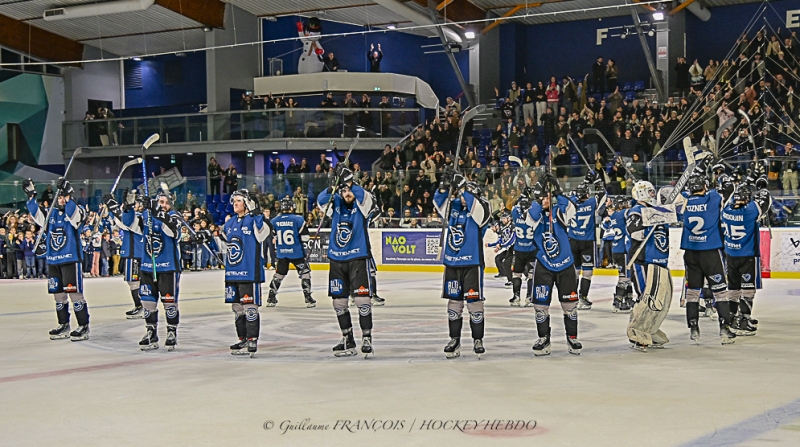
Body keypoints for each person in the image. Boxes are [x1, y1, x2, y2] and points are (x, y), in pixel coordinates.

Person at [316, 166, 376, 358]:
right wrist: (332, 186)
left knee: (362, 300)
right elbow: (320, 201)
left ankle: (367, 338)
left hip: (357, 258)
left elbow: (367, 200)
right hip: (337, 260)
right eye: (344, 190)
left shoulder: (361, 206)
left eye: (349, 190)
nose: (347, 193)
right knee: (339, 302)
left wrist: (350, 182)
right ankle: (347, 338)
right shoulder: (336, 207)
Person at [676, 156, 736, 344]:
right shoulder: (712, 198)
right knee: (720, 291)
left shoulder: (684, 201)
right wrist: (718, 172)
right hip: (711, 252)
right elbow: (729, 188)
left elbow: (680, 190)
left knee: (692, 292)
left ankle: (693, 327)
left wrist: (699, 168)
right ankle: (725, 329)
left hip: (690, 253)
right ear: (704, 186)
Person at [24, 178, 90, 341]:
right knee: (58, 296)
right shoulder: (51, 214)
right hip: (53, 261)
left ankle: (83, 326)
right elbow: (37, 215)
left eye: (63, 197)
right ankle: (63, 324)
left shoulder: (77, 211)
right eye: (59, 197)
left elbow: (75, 216)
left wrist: (67, 194)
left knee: (75, 295)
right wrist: (31, 195)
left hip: (70, 260)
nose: (60, 200)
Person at [434, 173, 491, 359]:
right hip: (452, 263)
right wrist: (443, 186)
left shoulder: (482, 207)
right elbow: (439, 202)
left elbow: (479, 213)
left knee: (474, 303)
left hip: (472, 263)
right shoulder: (454, 208)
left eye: (468, 194)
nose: (463, 198)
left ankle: (478, 339)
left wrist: (464, 187)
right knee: (454, 304)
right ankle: (454, 339)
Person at [525, 174, 581, 356]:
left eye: (548, 196)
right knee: (540, 305)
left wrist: (558, 191)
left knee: (570, 305)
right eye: (543, 197)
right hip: (544, 265)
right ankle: (544, 338)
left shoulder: (559, 210)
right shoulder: (535, 212)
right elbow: (531, 219)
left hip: (565, 265)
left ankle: (572, 337)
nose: (546, 200)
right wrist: (538, 197)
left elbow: (572, 210)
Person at [122, 190, 183, 351]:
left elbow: (173, 233)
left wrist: (156, 211)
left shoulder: (175, 218)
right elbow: (130, 225)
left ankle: (171, 332)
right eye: (160, 202)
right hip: (148, 267)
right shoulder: (146, 217)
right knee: (148, 302)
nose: (162, 205)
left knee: (170, 303)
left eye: (165, 202)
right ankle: (151, 332)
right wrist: (128, 207)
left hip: (168, 268)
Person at [214, 190, 271, 357]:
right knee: (237, 308)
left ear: (247, 203)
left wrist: (257, 213)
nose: (235, 203)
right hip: (232, 274)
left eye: (239, 201)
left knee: (250, 308)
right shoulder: (230, 222)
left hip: (249, 273)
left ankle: (252, 339)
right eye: (234, 201)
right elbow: (224, 246)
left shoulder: (254, 219)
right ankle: (243, 338)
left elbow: (263, 234)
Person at [625, 181, 673, 352]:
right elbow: (635, 234)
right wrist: (651, 219)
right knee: (645, 297)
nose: (654, 196)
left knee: (658, 300)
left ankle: (648, 328)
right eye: (651, 193)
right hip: (642, 262)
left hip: (659, 261)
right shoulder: (636, 211)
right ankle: (637, 332)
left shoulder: (657, 211)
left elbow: (677, 215)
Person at [722, 173, 771, 337]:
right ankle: (744, 319)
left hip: (730, 255)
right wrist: (761, 185)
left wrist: (740, 185)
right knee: (748, 289)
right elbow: (766, 201)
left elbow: (729, 196)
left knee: (733, 289)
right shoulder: (750, 211)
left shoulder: (726, 210)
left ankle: (731, 318)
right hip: (747, 255)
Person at [266, 197, 316, 308]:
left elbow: (272, 235)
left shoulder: (274, 221)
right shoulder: (298, 219)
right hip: (297, 253)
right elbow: (305, 238)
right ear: (291, 207)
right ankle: (308, 298)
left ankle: (271, 297)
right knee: (305, 273)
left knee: (279, 275)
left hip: (282, 253)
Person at [567, 172, 607, 310]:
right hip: (587, 241)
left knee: (575, 271)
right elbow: (602, 194)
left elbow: (575, 194)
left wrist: (585, 181)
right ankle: (583, 298)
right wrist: (596, 180)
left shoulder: (570, 202)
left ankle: (572, 297)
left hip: (572, 240)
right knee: (587, 271)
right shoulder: (591, 203)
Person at [106, 189, 144, 318]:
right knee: (132, 282)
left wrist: (114, 206)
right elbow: (119, 221)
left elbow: (126, 222)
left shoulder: (142, 217)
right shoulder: (131, 215)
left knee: (137, 282)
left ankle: (143, 306)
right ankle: (140, 306)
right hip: (130, 252)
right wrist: (113, 206)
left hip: (138, 253)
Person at [509, 192, 536, 307]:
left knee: (516, 274)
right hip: (532, 250)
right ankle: (529, 297)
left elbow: (514, 205)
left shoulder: (515, 213)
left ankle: (516, 297)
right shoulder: (533, 216)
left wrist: (522, 196)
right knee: (531, 275)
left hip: (519, 249)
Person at [609, 195, 633, 312]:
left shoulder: (613, 215)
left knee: (626, 276)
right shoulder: (625, 212)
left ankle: (629, 299)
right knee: (625, 278)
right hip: (623, 250)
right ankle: (617, 301)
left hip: (615, 249)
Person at [487, 212, 515, 289]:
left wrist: (501, 245)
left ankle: (527, 274)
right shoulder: (504, 228)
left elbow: (512, 239)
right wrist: (498, 246)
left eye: (504, 218)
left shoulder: (513, 226)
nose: (502, 220)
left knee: (518, 264)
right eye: (502, 218)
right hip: (509, 249)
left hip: (515, 248)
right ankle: (509, 278)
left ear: (509, 218)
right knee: (501, 260)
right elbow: (502, 239)